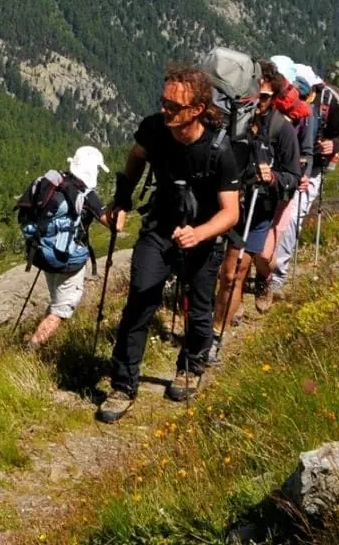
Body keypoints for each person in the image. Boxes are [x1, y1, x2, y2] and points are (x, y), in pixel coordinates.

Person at [98, 64, 241, 421]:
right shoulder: (154, 130)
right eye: (163, 102)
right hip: (160, 227)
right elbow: (135, 157)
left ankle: (191, 367)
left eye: (173, 107)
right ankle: (122, 385)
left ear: (196, 110)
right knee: (139, 300)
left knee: (200, 305)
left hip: (202, 233)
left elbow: (231, 213)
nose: (165, 111)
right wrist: (123, 199)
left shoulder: (220, 151)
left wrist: (201, 233)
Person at [215, 60, 304, 334]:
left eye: (265, 97)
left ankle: (218, 330)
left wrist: (274, 178)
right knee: (224, 272)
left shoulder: (282, 130)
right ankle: (216, 320)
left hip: (258, 208)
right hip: (227, 201)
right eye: (256, 95)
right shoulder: (233, 122)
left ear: (274, 97)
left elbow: (293, 176)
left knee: (235, 271)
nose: (259, 101)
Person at [267, 64, 339, 301]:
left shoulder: (327, 100)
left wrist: (334, 146)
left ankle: (276, 275)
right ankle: (267, 269)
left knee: (289, 224)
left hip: (309, 170)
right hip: (281, 170)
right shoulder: (282, 103)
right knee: (273, 221)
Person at [27, 146, 109, 349]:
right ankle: (31, 349)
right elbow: (115, 224)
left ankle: (39, 336)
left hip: (41, 251)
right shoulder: (86, 194)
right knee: (62, 310)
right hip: (66, 259)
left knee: (57, 298)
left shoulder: (53, 182)